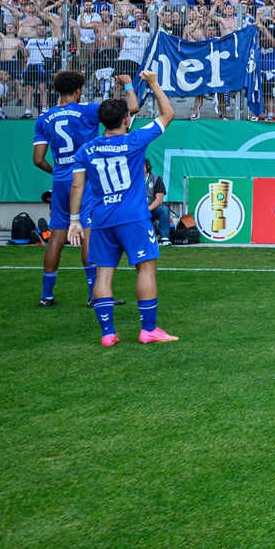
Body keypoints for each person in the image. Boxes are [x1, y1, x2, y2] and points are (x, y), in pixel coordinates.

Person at [67, 71, 175, 347]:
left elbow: (77, 187)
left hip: (101, 218)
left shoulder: (86, 150)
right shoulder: (133, 140)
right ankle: (148, 330)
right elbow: (168, 114)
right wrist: (153, 83)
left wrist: (75, 220)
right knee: (146, 270)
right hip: (133, 218)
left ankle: (108, 334)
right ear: (126, 119)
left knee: (103, 274)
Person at [33, 69, 131, 306]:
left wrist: (57, 171)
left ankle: (47, 295)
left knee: (57, 236)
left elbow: (38, 159)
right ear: (78, 90)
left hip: (59, 182)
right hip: (85, 181)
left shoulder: (44, 118)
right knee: (88, 232)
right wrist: (127, 86)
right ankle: (91, 295)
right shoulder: (87, 110)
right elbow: (127, 111)